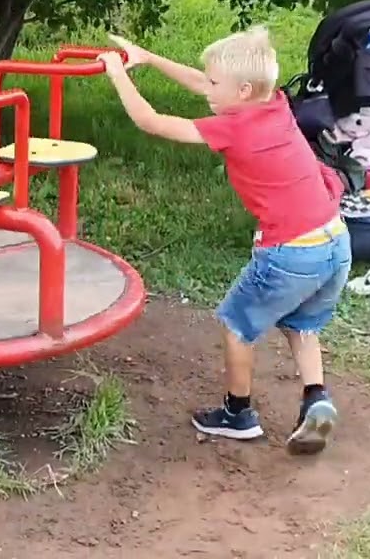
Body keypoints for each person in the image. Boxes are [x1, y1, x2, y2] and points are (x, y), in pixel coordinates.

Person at [100, 28, 350, 455]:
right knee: (301, 324)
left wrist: (115, 73)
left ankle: (238, 414)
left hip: (292, 250)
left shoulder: (235, 129)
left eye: (215, 83)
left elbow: (151, 122)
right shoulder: (273, 106)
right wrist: (149, 58)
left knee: (236, 325)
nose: (207, 88)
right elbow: (205, 85)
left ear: (244, 90)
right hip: (335, 240)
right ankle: (317, 399)